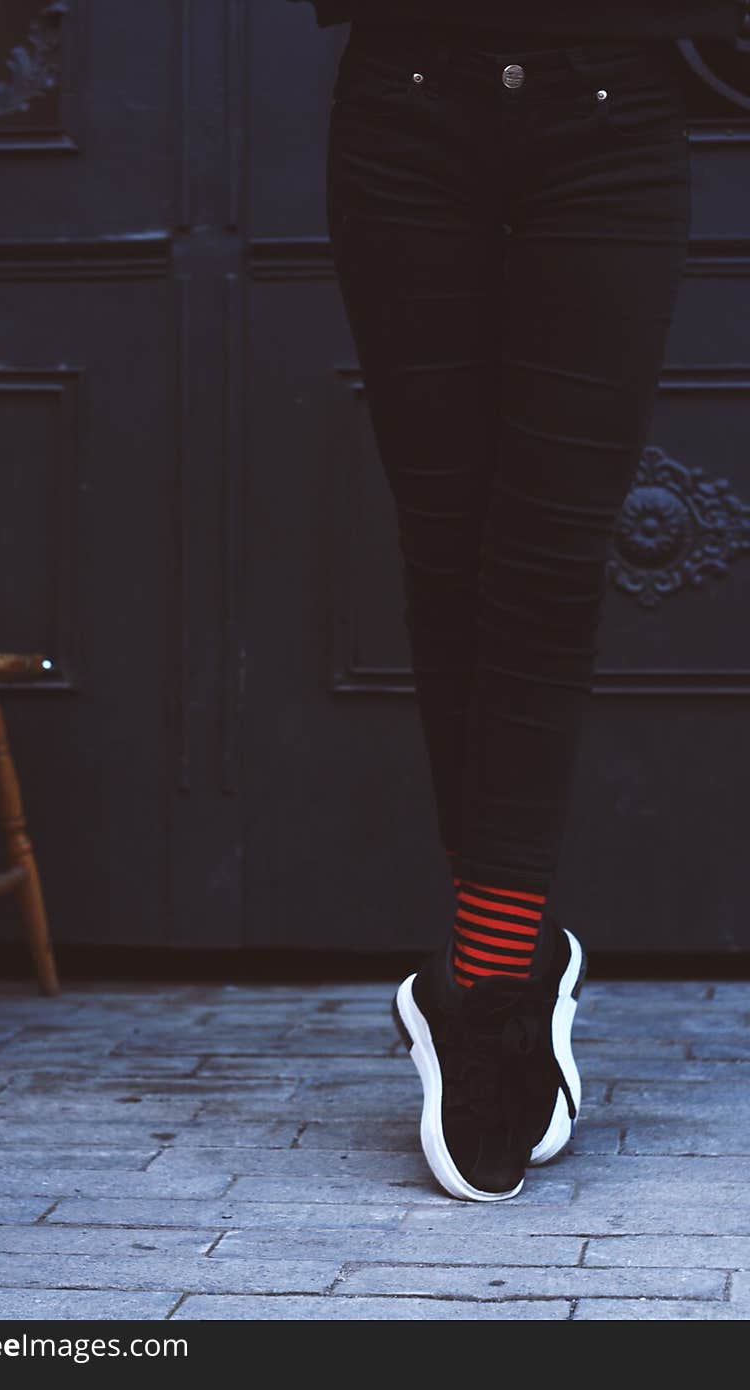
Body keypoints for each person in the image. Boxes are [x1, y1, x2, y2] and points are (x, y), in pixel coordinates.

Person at [289, 0, 747, 1202]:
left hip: (615, 109)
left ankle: (486, 983)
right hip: (402, 99)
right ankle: (504, 954)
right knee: (449, 557)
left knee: (543, 564)